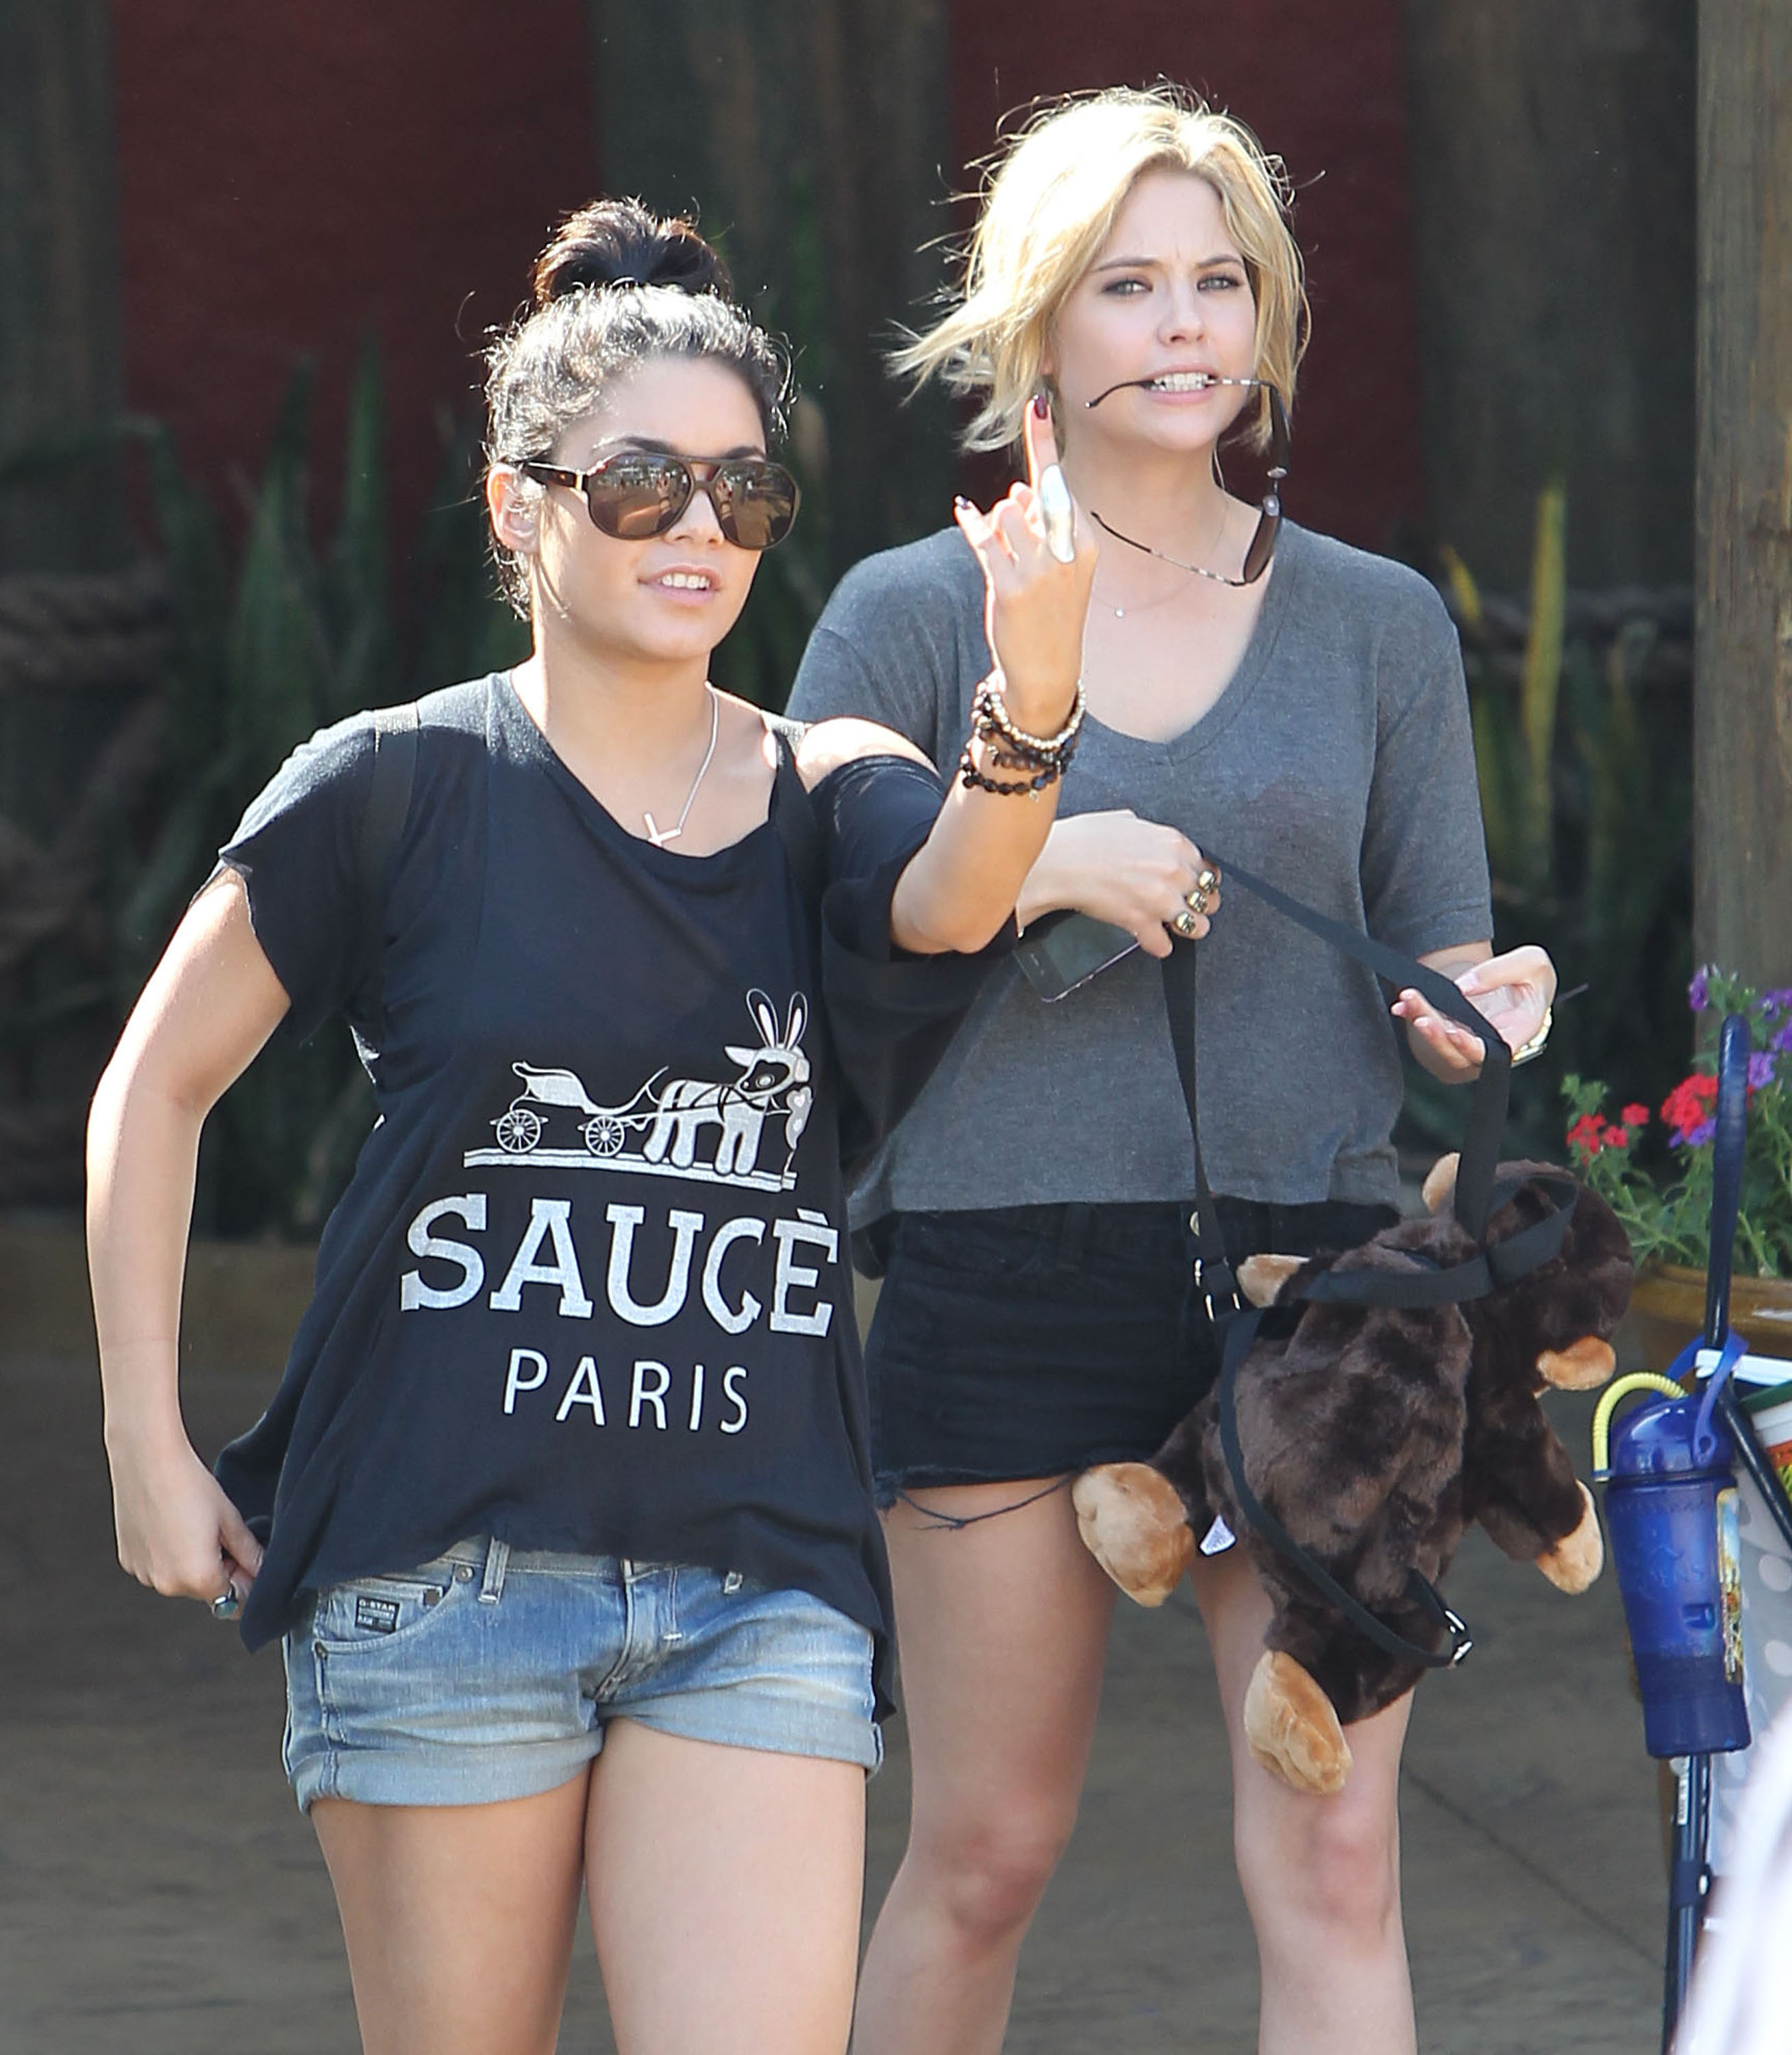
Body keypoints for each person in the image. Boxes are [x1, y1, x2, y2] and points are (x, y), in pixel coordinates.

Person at [88, 199, 1095, 2055]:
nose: (698, 528)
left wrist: (1031, 698)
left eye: (742, 492)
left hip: (759, 1578)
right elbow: (157, 1082)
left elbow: (958, 899)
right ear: (516, 505)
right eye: (639, 485)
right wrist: (146, 1441)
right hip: (440, 1567)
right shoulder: (393, 785)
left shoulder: (827, 786)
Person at [786, 88, 1557, 2055]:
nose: (1186, 323)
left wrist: (1481, 1001)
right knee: (985, 1851)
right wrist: (1044, 857)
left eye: (1223, 281)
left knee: (1336, 1859)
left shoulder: (1379, 623)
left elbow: (1437, 939)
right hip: (1002, 1267)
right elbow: (828, 921)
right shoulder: (905, 614)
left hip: (1324, 1292)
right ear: (1037, 328)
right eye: (1130, 286)